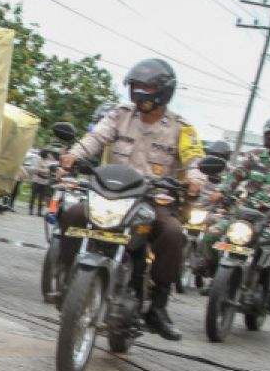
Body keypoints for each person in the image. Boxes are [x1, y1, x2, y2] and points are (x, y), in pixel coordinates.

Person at [57, 58, 205, 339]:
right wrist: (73, 155)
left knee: (173, 234)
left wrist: (195, 180)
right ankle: (69, 279)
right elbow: (96, 138)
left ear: (163, 92)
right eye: (136, 86)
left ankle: (158, 306)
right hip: (112, 192)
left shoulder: (181, 128)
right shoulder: (119, 115)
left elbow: (195, 160)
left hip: (153, 199)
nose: (139, 92)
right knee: (74, 214)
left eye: (146, 87)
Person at [203, 115, 270, 318]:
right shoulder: (252, 156)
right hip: (245, 215)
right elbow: (232, 178)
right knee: (212, 234)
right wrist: (220, 192)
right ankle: (215, 278)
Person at [28, 149, 54, 215]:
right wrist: (45, 170)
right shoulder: (38, 160)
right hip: (37, 180)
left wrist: (46, 170)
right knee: (33, 196)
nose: (49, 155)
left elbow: (51, 170)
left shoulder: (49, 162)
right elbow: (36, 169)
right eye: (48, 154)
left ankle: (39, 211)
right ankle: (30, 210)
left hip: (45, 181)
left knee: (41, 198)